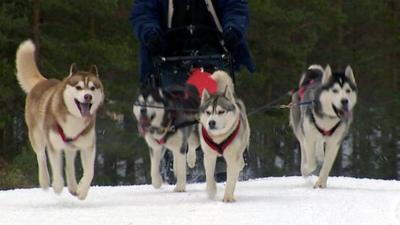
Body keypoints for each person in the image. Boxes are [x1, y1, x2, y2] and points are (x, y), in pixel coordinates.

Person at [130, 0, 255, 86]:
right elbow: (143, 13)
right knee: (165, 100)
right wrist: (150, 33)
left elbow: (235, 8)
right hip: (167, 54)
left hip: (215, 50)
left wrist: (233, 29)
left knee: (224, 92)